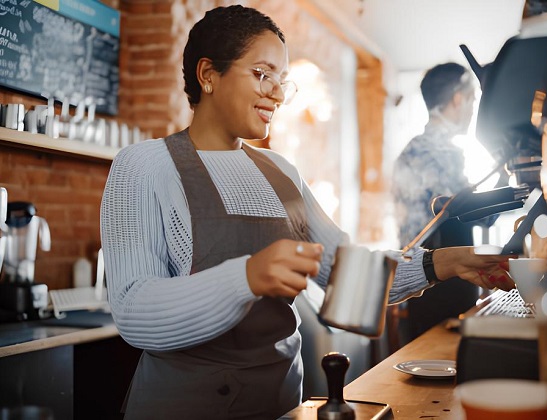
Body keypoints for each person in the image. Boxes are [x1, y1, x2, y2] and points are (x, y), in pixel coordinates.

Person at [100, 6, 514, 419]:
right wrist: (246, 276)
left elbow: (346, 272)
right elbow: (134, 310)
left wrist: (444, 261)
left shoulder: (281, 172)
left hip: (280, 403)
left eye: (282, 81)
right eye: (263, 74)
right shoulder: (144, 166)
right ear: (208, 74)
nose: (277, 94)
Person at [391, 63, 482, 344]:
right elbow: (471, 214)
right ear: (458, 99)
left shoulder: (412, 149)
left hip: (416, 280)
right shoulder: (443, 152)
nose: (472, 110)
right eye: (473, 100)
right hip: (441, 282)